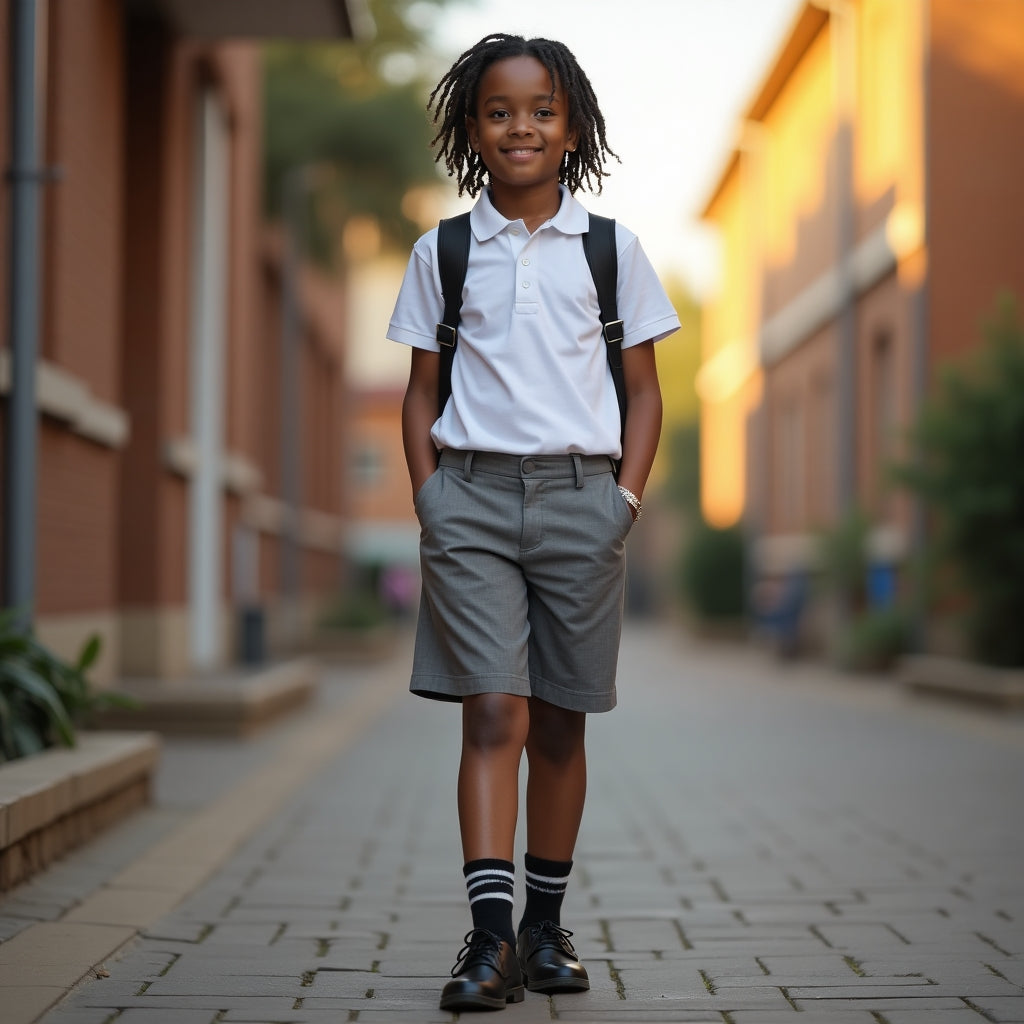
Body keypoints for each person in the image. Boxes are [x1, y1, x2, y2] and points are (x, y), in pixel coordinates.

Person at [387, 33, 680, 1012]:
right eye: (500, 111)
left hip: (582, 501)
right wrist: (430, 497)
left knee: (558, 719)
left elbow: (646, 392)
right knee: (493, 711)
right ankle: (489, 939)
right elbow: (420, 390)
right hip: (468, 501)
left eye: (542, 110)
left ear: (572, 128)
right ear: (473, 130)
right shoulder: (443, 251)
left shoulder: (611, 250)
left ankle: (545, 929)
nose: (522, 126)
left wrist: (623, 501)